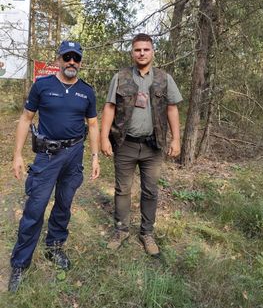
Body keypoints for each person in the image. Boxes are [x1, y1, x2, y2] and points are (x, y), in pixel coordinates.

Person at [8, 40, 100, 292]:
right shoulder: (42, 85)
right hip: (47, 157)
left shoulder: (87, 92)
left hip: (74, 155)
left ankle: (54, 248)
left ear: (80, 62)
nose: (72, 62)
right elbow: (26, 119)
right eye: (67, 57)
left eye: (76, 58)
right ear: (58, 59)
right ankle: (20, 263)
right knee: (35, 208)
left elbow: (92, 124)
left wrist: (94, 156)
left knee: (63, 205)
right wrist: (17, 155)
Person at [100, 33, 182, 256]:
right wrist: (104, 137)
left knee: (150, 191)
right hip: (125, 144)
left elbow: (172, 108)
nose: (142, 53)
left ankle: (147, 233)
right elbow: (109, 107)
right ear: (132, 52)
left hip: (152, 146)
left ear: (152, 52)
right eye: (138, 49)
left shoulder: (164, 79)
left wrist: (176, 139)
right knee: (122, 189)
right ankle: (121, 230)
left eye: (146, 49)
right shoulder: (121, 77)